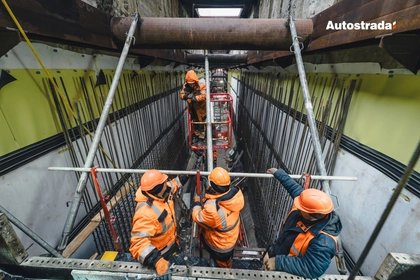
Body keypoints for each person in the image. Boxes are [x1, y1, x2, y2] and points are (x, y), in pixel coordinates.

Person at [263, 167, 342, 279]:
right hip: (279, 251)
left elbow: (312, 268)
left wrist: (278, 262)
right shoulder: (308, 207)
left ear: (312, 215)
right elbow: (293, 187)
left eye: (301, 209)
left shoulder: (324, 242)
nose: (298, 208)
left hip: (288, 272)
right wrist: (278, 173)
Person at [130, 169, 188, 276]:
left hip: (172, 244)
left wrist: (186, 176)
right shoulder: (146, 213)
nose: (167, 183)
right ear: (159, 188)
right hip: (160, 254)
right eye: (164, 182)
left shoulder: (158, 193)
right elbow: (138, 244)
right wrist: (157, 261)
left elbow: (173, 185)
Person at [191, 167, 245, 268]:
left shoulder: (213, 210)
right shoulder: (236, 195)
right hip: (231, 240)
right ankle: (226, 264)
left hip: (220, 249)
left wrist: (197, 203)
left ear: (211, 186)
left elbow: (197, 217)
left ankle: (222, 268)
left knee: (222, 265)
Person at [179, 70, 207, 145]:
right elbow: (181, 95)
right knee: (195, 123)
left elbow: (204, 96)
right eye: (189, 83)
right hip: (193, 109)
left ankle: (201, 138)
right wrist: (186, 96)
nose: (191, 85)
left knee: (201, 124)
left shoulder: (201, 85)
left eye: (192, 83)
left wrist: (195, 98)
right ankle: (197, 136)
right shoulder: (185, 86)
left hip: (201, 109)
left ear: (195, 81)